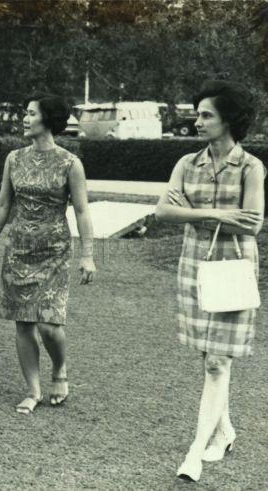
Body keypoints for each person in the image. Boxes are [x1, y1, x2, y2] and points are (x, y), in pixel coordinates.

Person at [155, 81, 265, 482]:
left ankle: (194, 453)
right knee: (210, 360)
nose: (197, 121)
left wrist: (196, 211)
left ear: (229, 121)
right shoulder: (186, 163)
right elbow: (163, 211)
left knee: (218, 361)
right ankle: (226, 431)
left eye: (206, 115)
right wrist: (219, 215)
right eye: (198, 114)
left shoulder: (252, 167)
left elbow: (252, 223)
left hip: (234, 269)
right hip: (195, 267)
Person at [0, 93, 97, 415]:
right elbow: (3, 204)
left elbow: (83, 211)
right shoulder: (14, 159)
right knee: (23, 323)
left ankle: (59, 371)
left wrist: (88, 255)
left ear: (47, 118)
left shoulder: (70, 163)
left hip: (54, 251)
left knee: (49, 324)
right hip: (18, 249)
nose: (24, 118)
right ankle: (32, 390)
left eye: (30, 113)